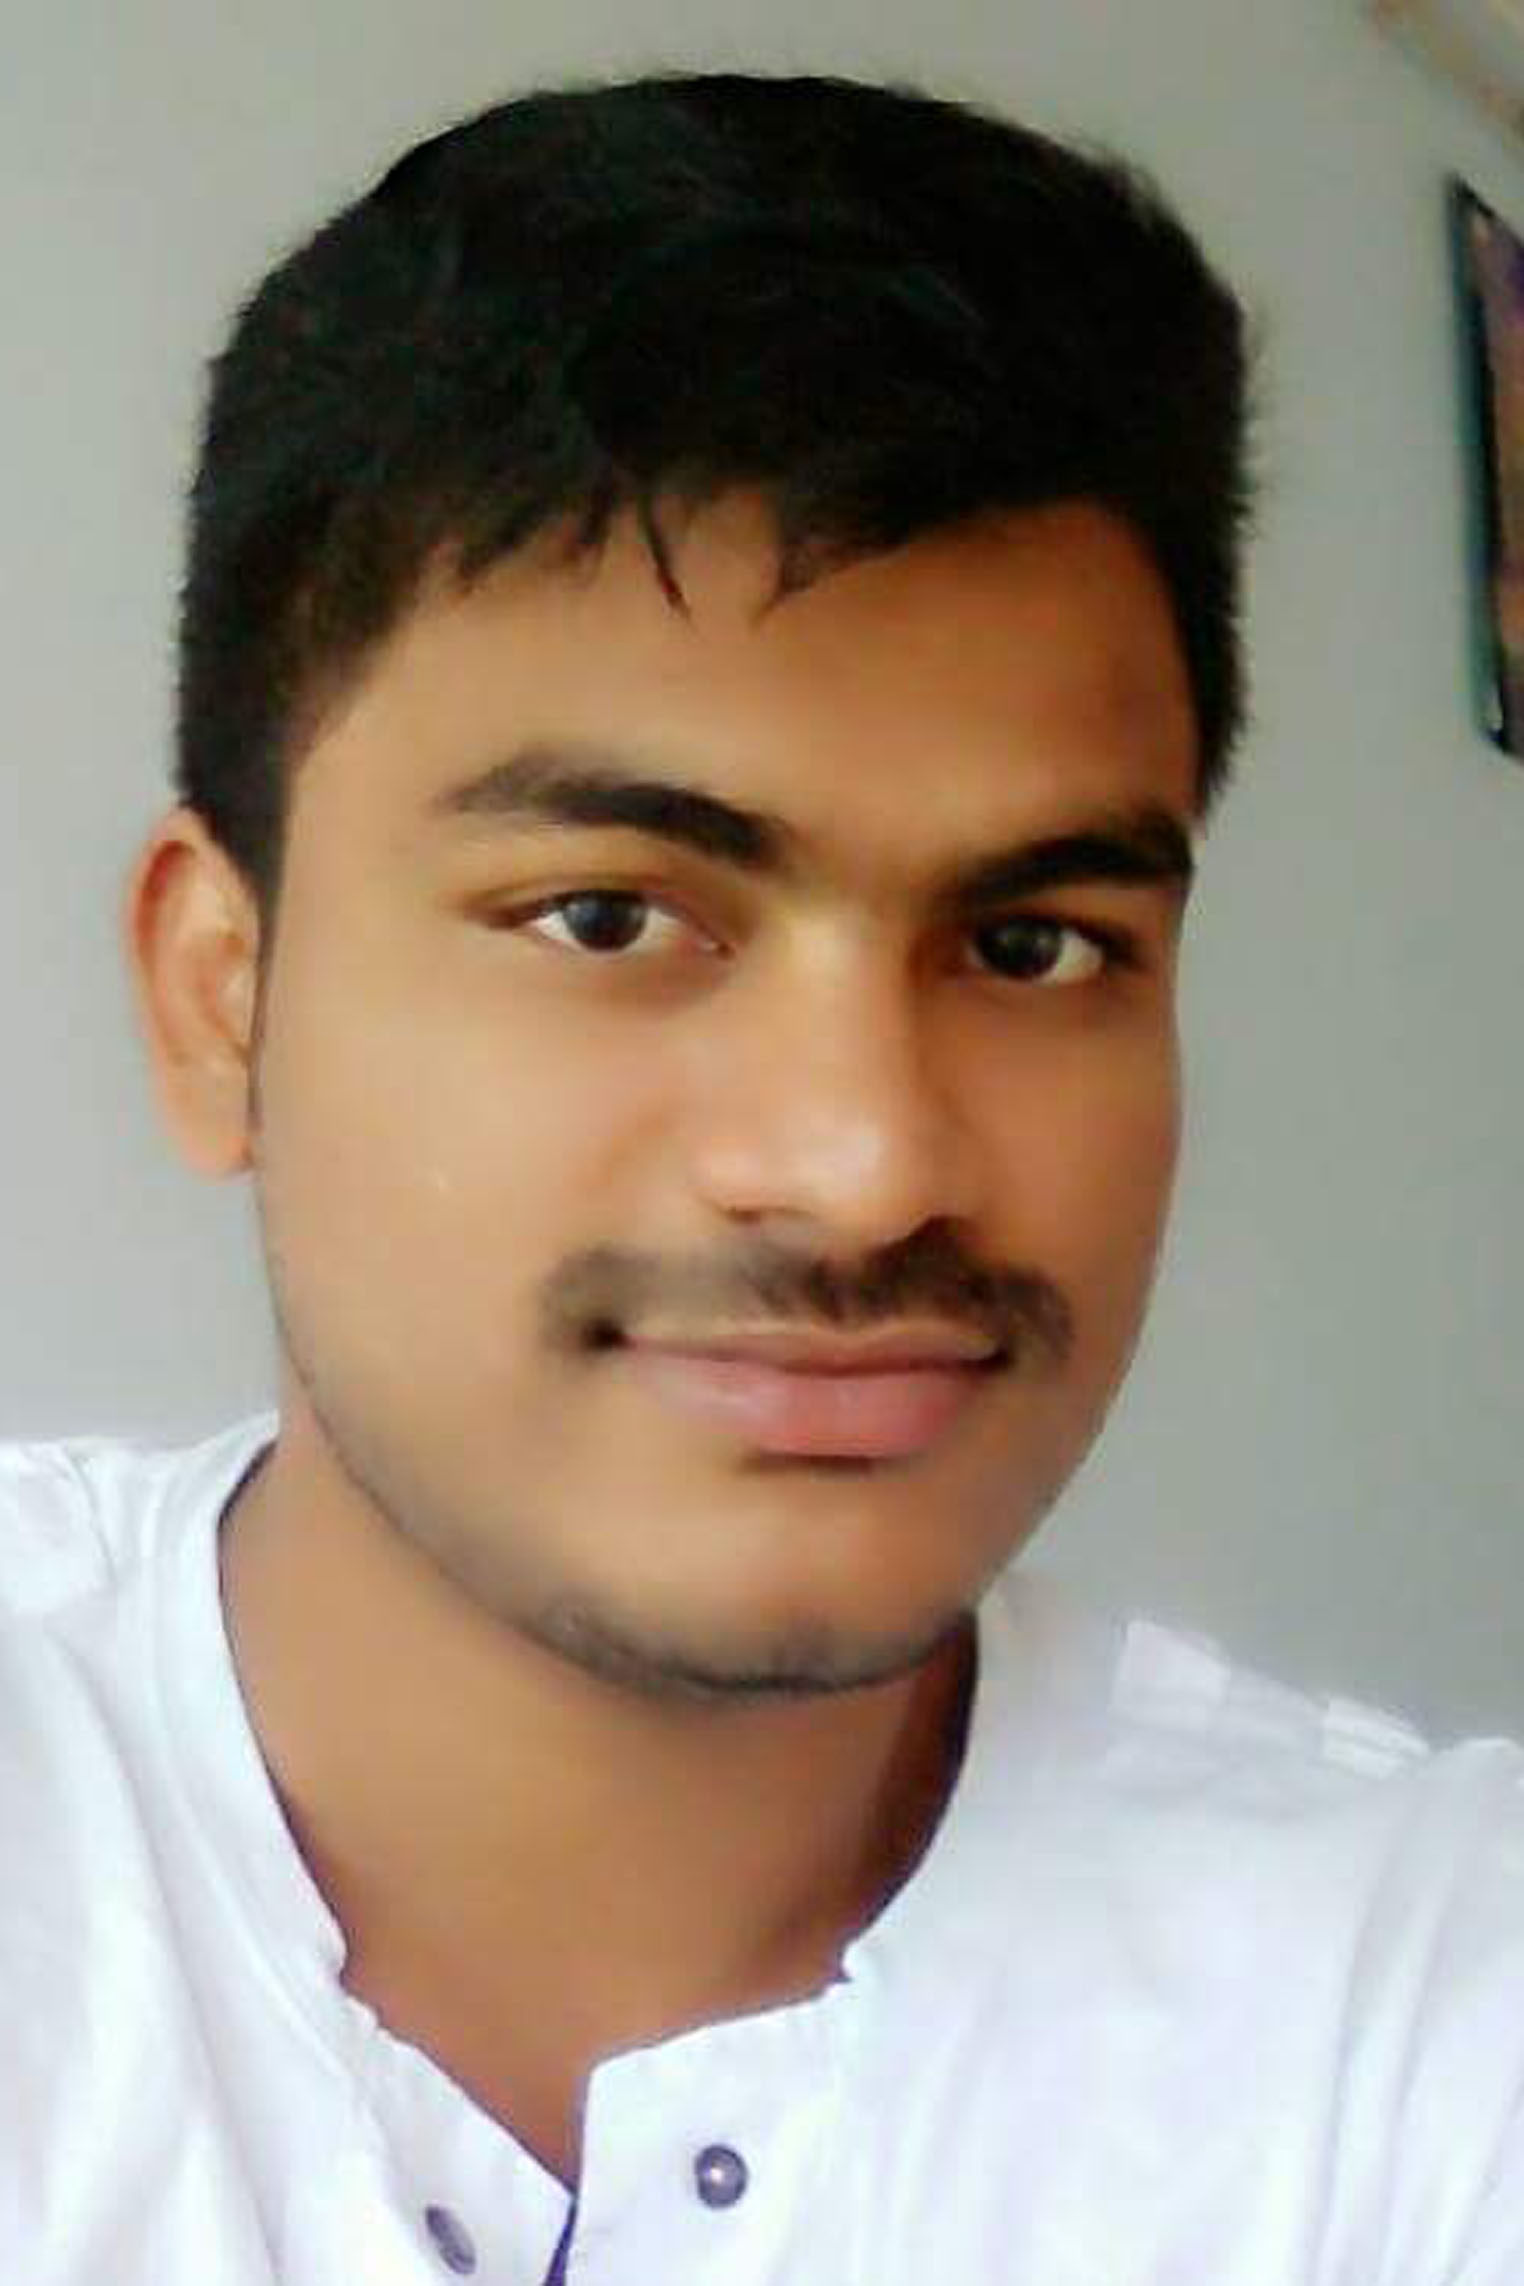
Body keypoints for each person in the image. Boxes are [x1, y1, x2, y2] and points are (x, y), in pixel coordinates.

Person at [1, 63, 1518, 2285]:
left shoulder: (1430, 2010)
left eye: (1034, 944)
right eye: (610, 915)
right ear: (218, 995)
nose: (866, 1167)